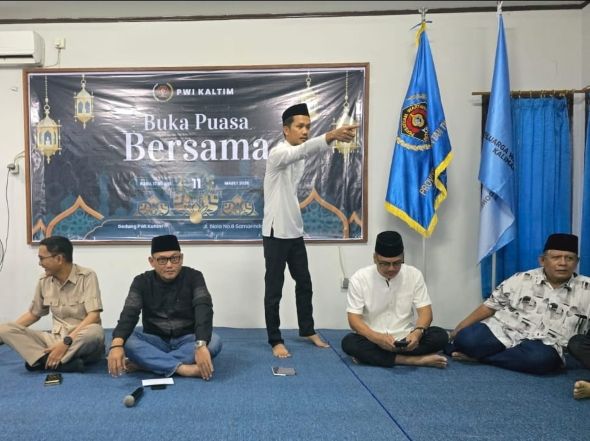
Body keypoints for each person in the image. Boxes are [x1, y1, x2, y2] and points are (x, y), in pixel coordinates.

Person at [262, 102, 358, 358]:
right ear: (286, 130)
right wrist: (331, 135)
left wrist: (328, 138)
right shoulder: (278, 153)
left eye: (308, 126)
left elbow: (303, 152)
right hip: (275, 234)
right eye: (300, 126)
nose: (305, 131)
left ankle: (307, 329)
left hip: (295, 231)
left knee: (304, 283)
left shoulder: (298, 155)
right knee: (274, 290)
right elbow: (302, 151)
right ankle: (275, 339)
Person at [447, 233, 590, 376]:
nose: (563, 263)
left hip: (547, 344)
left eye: (569, 258)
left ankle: (481, 358)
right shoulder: (521, 278)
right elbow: (489, 307)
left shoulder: (587, 288)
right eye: (556, 257)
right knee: (467, 339)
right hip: (506, 331)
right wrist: (457, 331)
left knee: (540, 360)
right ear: (542, 260)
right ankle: (505, 357)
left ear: (576, 262)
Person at [107, 234, 222, 380]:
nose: (169, 265)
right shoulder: (141, 282)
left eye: (174, 259)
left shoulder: (194, 277)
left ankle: (148, 364)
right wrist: (117, 345)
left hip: (188, 339)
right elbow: (129, 313)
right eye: (162, 260)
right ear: (152, 261)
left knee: (214, 341)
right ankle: (183, 369)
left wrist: (200, 344)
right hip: (155, 340)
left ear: (181, 258)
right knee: (120, 341)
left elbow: (203, 308)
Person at [341, 231, 448, 368]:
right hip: (373, 339)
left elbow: (426, 312)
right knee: (349, 342)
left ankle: (380, 358)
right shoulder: (359, 278)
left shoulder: (414, 275)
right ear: (375, 258)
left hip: (406, 339)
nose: (391, 269)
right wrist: (377, 338)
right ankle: (413, 360)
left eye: (397, 263)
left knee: (440, 335)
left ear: (403, 257)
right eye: (385, 264)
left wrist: (417, 332)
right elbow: (354, 320)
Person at [0, 236, 104, 373]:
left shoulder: (87, 276)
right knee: (4, 329)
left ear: (59, 259)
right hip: (54, 340)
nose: (40, 263)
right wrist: (6, 334)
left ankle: (42, 360)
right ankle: (60, 363)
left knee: (95, 332)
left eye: (42, 258)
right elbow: (33, 314)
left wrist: (66, 342)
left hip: (79, 339)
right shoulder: (44, 280)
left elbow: (94, 316)